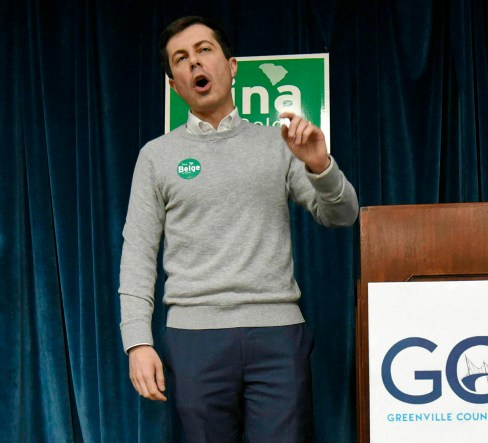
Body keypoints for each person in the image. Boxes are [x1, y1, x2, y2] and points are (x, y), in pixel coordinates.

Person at [119, 15, 358, 442]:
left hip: (278, 336)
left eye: (204, 51)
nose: (195, 64)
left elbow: (341, 215)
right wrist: (137, 342)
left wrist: (320, 166)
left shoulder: (277, 142)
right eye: (181, 58)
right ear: (174, 84)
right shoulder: (156, 156)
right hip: (194, 340)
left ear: (231, 67)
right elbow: (137, 251)